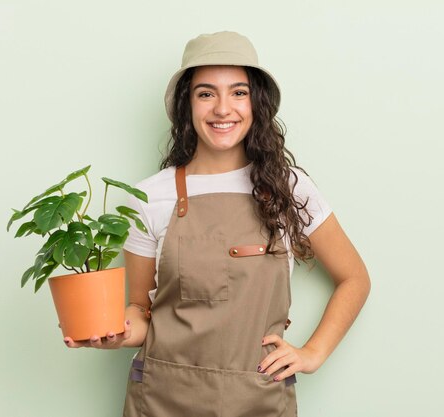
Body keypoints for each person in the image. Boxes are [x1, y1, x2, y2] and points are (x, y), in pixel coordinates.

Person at [63, 31, 371, 416]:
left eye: (238, 92)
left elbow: (355, 278)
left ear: (255, 102)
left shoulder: (289, 189)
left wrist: (313, 352)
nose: (223, 108)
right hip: (162, 398)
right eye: (206, 93)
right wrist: (115, 333)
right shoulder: (150, 198)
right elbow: (140, 311)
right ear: (187, 105)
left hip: (258, 397)